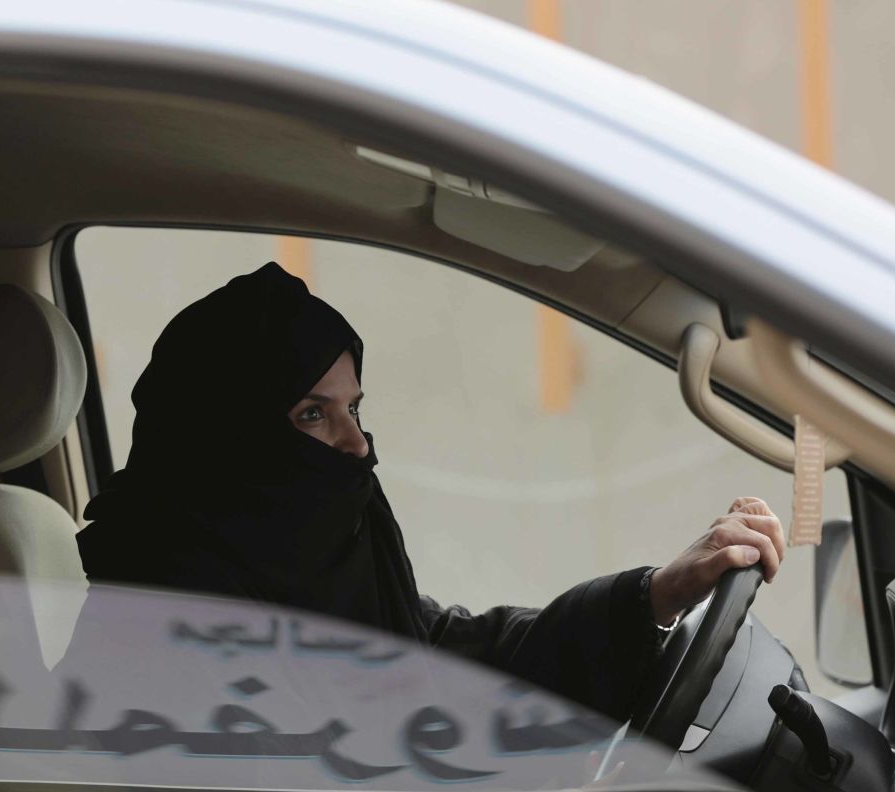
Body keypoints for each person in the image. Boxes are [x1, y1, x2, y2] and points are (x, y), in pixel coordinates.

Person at [77, 261, 785, 721]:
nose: (356, 446)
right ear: (227, 440)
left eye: (354, 409)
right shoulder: (150, 632)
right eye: (312, 414)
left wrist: (651, 597)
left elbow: (448, 656)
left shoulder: (316, 580)